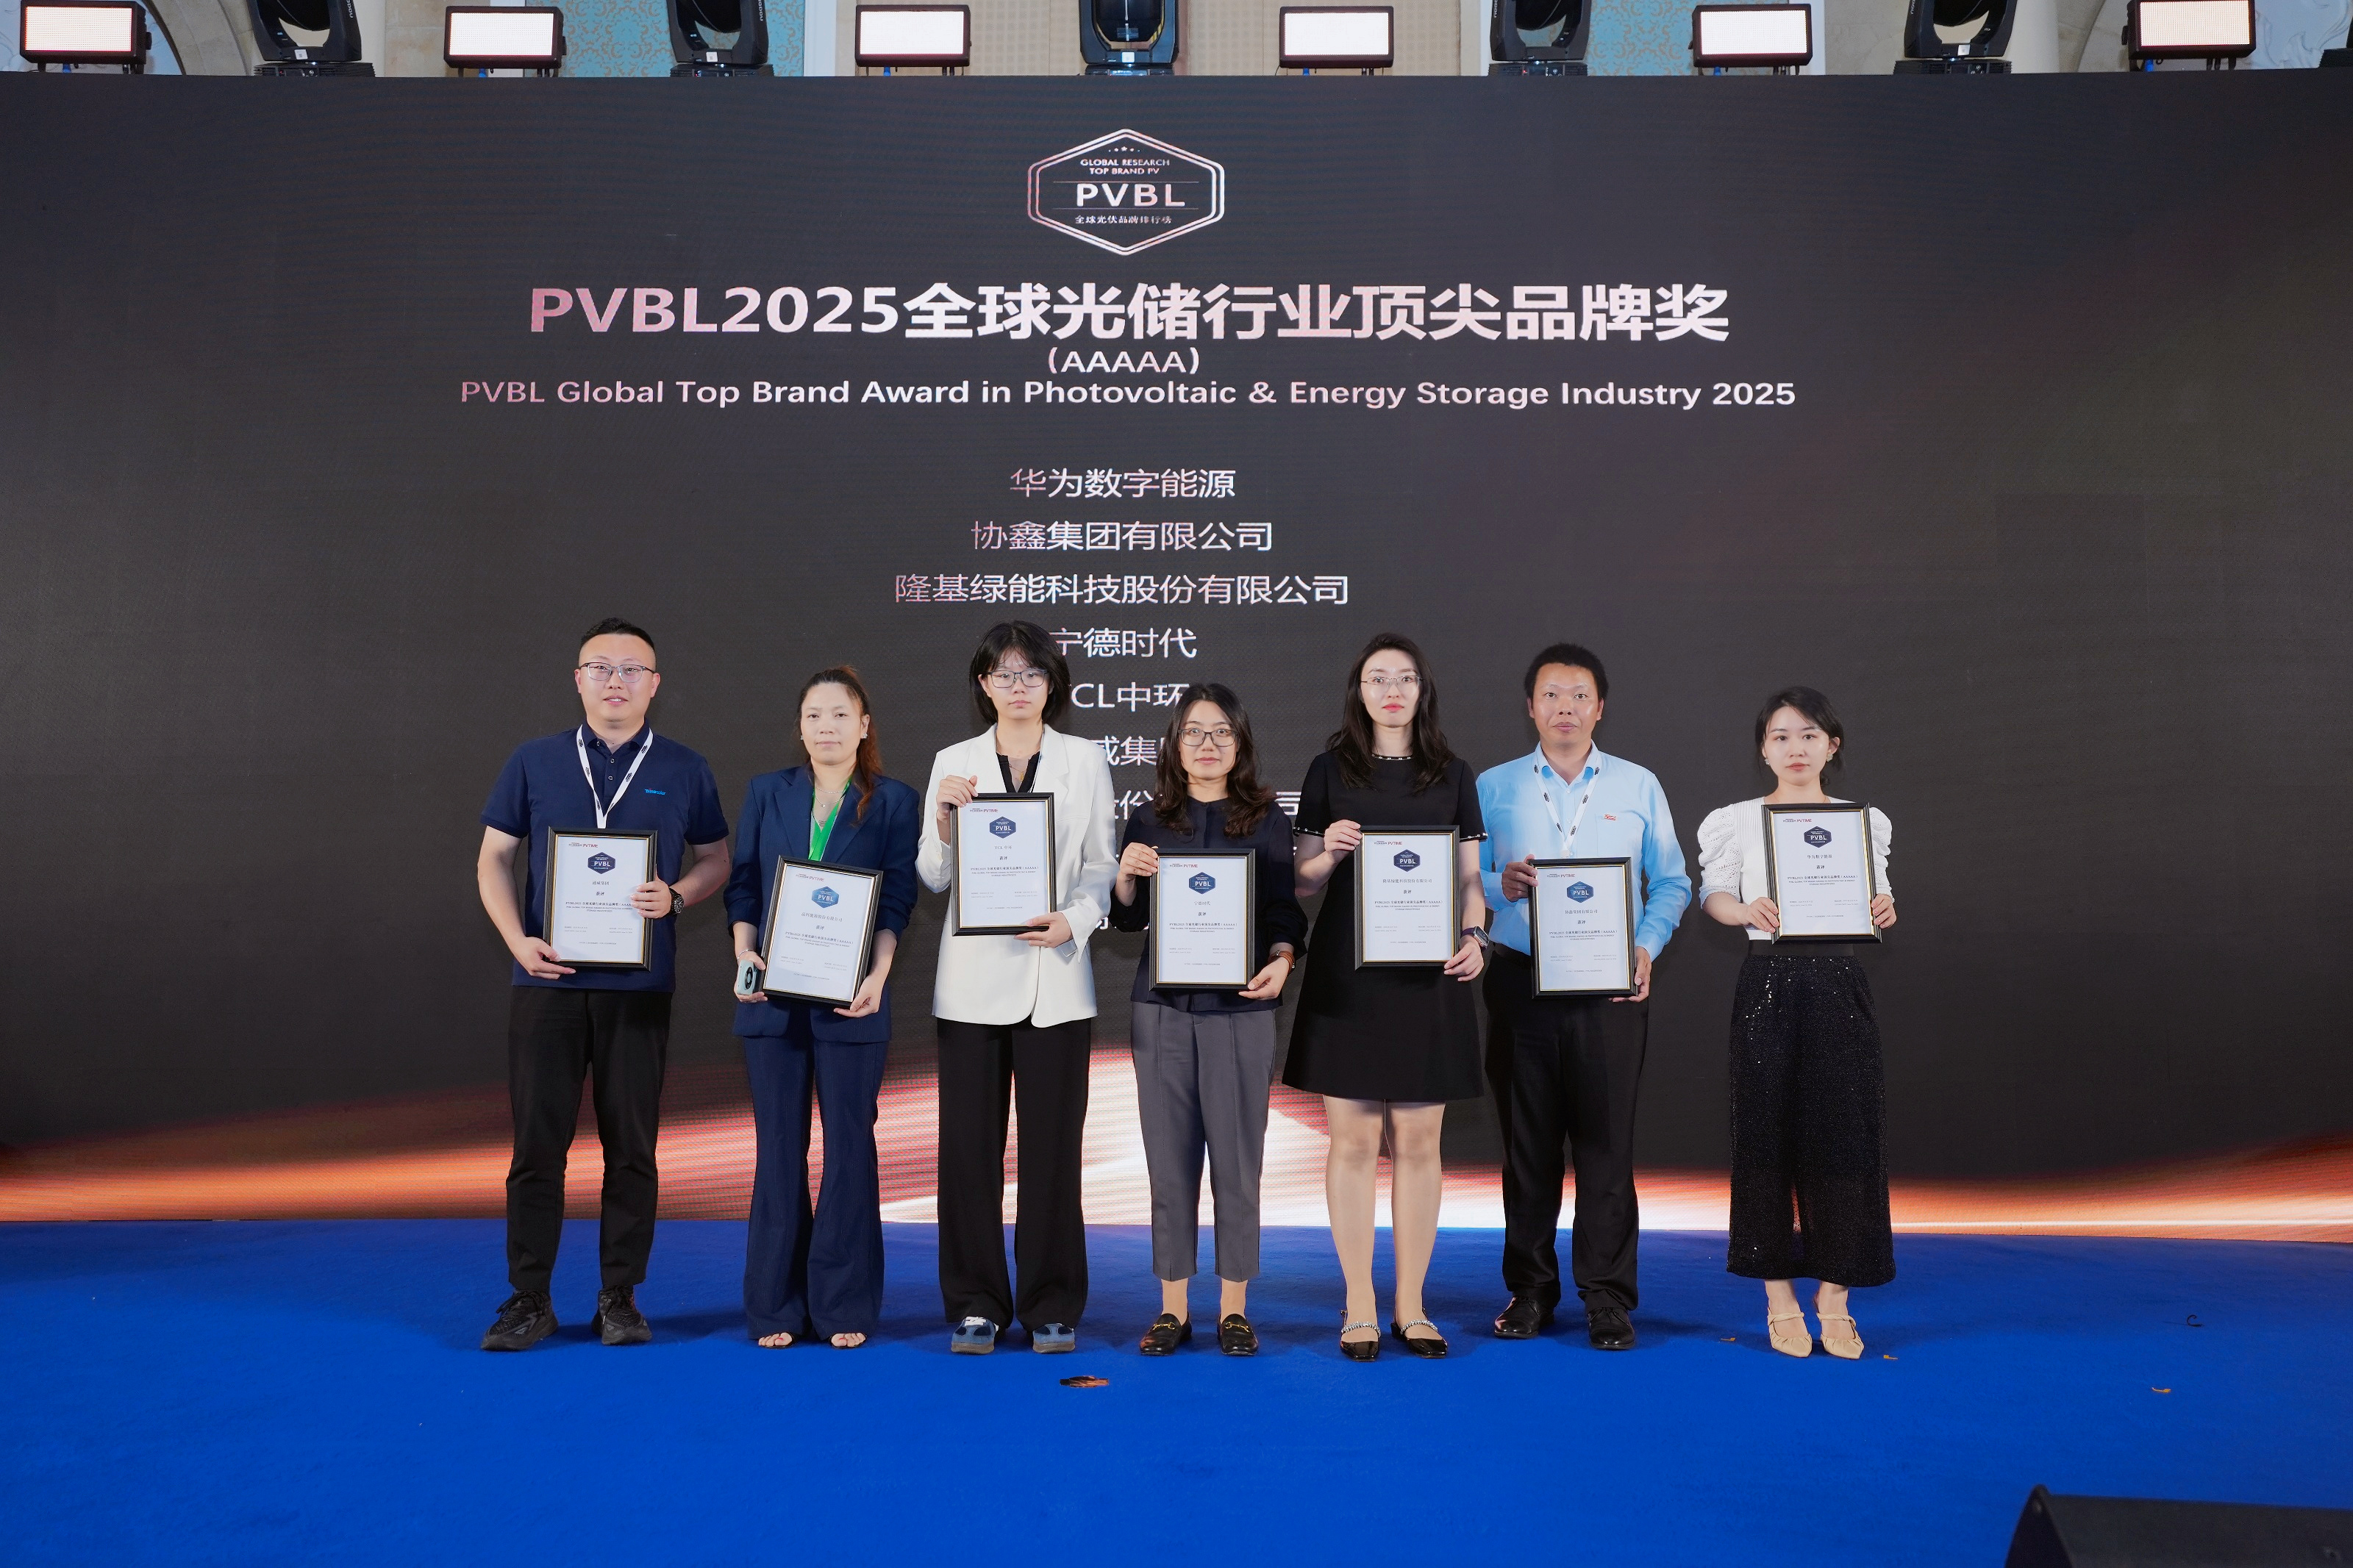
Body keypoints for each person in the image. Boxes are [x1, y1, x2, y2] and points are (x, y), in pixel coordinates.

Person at [474, 617, 729, 1351]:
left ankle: (620, 1294)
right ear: (578, 679)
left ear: (655, 684)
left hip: (638, 988)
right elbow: (493, 859)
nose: (616, 680)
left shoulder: (685, 767)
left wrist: (676, 895)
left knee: (632, 1148)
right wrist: (516, 940)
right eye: (601, 667)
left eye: (632, 669)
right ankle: (529, 1298)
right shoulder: (533, 760)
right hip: (547, 981)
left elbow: (716, 859)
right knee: (536, 1148)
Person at [1477, 644, 1690, 1351]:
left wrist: (1645, 946)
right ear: (1529, 706)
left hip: (1609, 986)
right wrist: (1497, 884)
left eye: (1578, 695)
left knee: (1606, 1147)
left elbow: (1672, 881)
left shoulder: (1638, 784)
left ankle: (1607, 1297)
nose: (1564, 707)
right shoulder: (1493, 786)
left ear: (1600, 707)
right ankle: (1531, 1290)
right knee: (1526, 1147)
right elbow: (1464, 876)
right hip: (1520, 981)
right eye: (1551, 694)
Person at [1286, 633, 1489, 1361]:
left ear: (1422, 690)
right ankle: (1359, 1302)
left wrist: (1476, 934)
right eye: (1378, 678)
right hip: (1348, 975)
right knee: (1351, 1142)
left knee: (1419, 1143)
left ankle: (1411, 1304)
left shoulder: (1452, 773)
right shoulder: (1328, 769)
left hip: (1428, 977)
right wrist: (1328, 853)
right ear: (1359, 690)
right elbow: (1301, 880)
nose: (1392, 690)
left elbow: (1470, 876)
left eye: (1405, 677)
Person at [918, 620, 1118, 1354]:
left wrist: (1075, 920)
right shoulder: (953, 763)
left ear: (1052, 683)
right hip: (972, 985)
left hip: (1054, 980)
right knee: (968, 1153)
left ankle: (1051, 1303)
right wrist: (945, 822)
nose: (1018, 686)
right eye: (1003, 674)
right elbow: (933, 874)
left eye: (1032, 673)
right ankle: (975, 1301)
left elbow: (1101, 864)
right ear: (983, 684)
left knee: (1053, 1153)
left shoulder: (1084, 760)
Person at [1108, 684, 1307, 1357]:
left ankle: (1233, 1308)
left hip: (1241, 1008)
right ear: (1174, 743)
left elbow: (1283, 908)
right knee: (1168, 1163)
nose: (1207, 744)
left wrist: (1282, 959)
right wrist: (1126, 877)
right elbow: (1130, 918)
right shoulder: (1148, 818)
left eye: (1222, 731)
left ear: (1241, 742)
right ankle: (1172, 1307)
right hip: (1162, 1009)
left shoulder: (1268, 819)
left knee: (1238, 1162)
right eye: (1194, 731)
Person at [1697, 687, 1896, 1360]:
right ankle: (1779, 1296)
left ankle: (1835, 1295)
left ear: (1832, 745)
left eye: (1809, 735)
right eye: (1781, 736)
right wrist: (1742, 910)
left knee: (1847, 1136)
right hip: (1769, 984)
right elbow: (1713, 893)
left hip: (1840, 983)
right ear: (1763, 748)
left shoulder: (1864, 821)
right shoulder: (1735, 820)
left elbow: (1877, 891)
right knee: (1765, 1135)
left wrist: (1884, 904)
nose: (1795, 748)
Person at [726, 668, 920, 1350]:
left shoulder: (894, 800)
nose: (826, 726)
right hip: (772, 1000)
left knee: (849, 1150)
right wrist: (745, 952)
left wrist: (880, 973)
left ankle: (843, 1302)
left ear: (864, 726)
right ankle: (775, 1304)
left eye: (840, 714)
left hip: (852, 1000)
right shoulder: (766, 792)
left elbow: (897, 899)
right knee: (779, 1150)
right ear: (801, 727)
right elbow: (743, 886)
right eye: (814, 715)